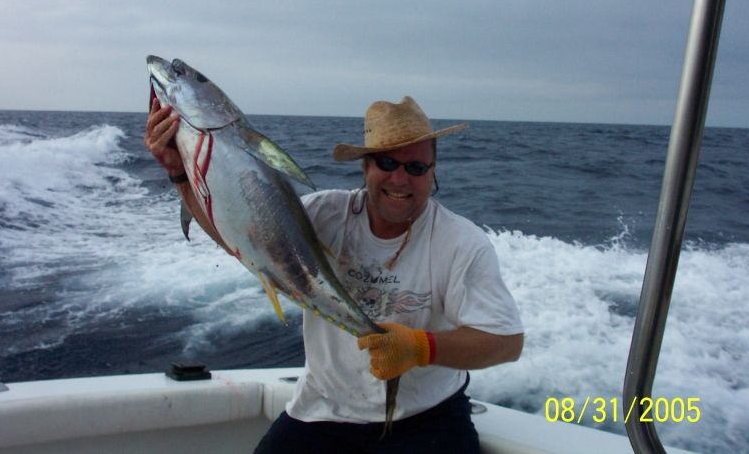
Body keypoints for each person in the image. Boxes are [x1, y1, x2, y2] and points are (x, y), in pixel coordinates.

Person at [145, 95, 524, 453]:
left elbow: (506, 343)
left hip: (429, 415)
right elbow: (239, 240)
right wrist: (181, 176)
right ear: (366, 166)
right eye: (387, 164)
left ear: (432, 171)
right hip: (324, 410)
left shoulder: (462, 243)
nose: (400, 179)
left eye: (415, 167)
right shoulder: (322, 214)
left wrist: (420, 348)